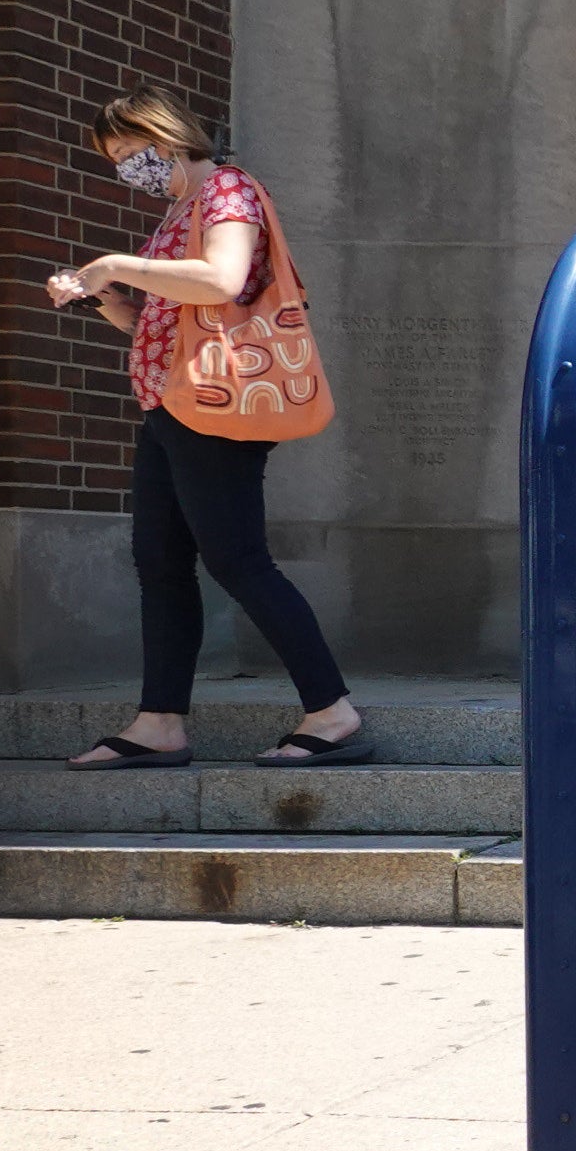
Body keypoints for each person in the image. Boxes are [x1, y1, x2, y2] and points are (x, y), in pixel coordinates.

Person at [44, 87, 369, 770]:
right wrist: (104, 297)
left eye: (132, 152)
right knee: (160, 562)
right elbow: (157, 322)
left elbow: (221, 280)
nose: (127, 167)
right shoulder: (178, 213)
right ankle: (159, 721)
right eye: (116, 159)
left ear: (166, 136)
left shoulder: (228, 191)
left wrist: (115, 265)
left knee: (237, 559)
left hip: (217, 404)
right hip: (171, 401)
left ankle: (332, 711)